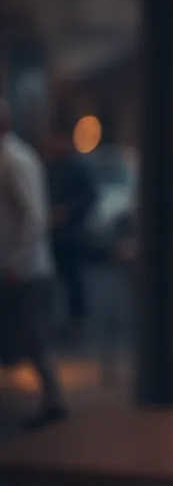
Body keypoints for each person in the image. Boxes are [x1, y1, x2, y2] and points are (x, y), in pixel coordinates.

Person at [0, 97, 69, 429]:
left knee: (33, 337)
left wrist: (14, 261)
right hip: (19, 265)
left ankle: (55, 399)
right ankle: (53, 399)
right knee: (27, 336)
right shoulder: (12, 158)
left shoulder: (13, 161)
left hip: (22, 269)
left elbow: (32, 218)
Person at [45, 122, 99, 331]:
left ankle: (78, 316)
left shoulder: (76, 165)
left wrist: (68, 211)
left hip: (72, 232)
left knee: (73, 276)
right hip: (56, 232)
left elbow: (89, 196)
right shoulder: (53, 166)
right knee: (57, 278)